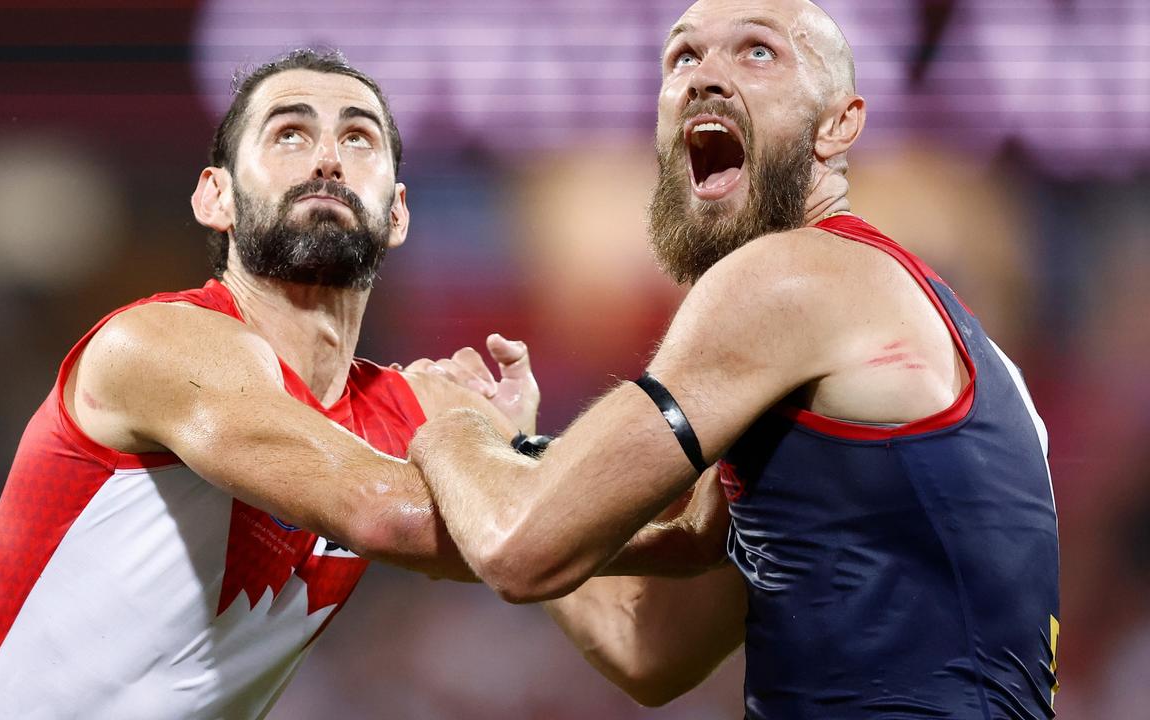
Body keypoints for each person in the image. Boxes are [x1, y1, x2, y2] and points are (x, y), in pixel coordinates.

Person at [0, 49, 718, 720]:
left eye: (359, 138)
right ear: (215, 196)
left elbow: (641, 653)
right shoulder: (159, 345)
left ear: (396, 212)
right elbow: (388, 512)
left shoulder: (410, 417)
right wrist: (488, 446)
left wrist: (744, 480)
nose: (327, 154)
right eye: (288, 134)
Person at [408, 1, 1061, 718]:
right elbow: (651, 649)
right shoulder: (938, 352)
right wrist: (515, 456)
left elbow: (515, 545)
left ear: (839, 123)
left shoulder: (790, 276)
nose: (705, 78)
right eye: (682, 57)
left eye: (757, 52)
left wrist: (453, 430)